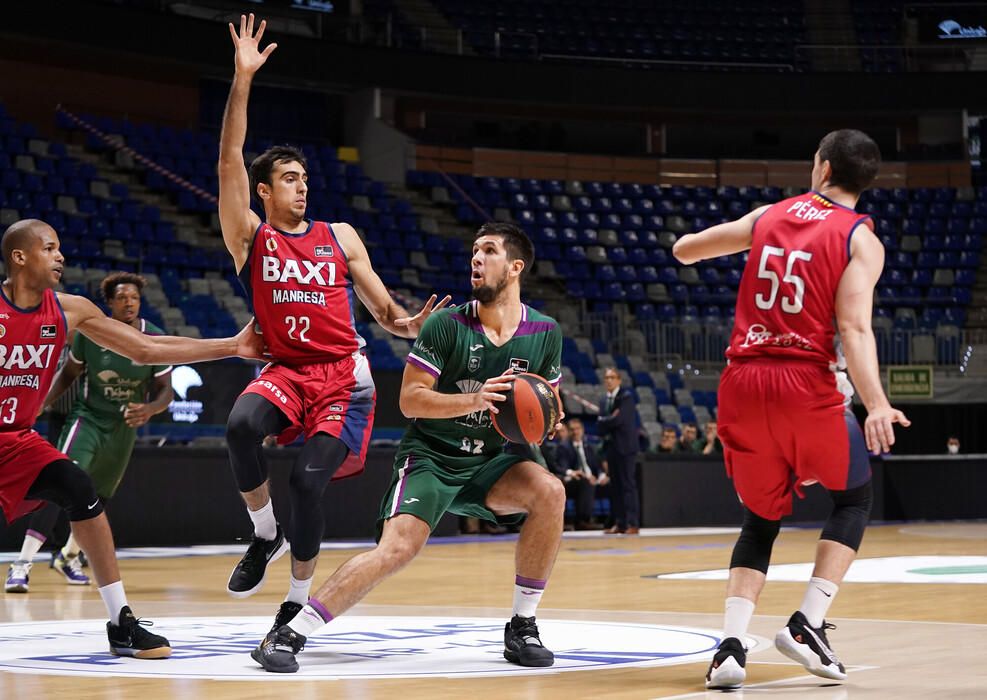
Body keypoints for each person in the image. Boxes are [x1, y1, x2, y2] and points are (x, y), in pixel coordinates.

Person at [217, 13, 449, 631]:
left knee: (307, 486)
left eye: (304, 178)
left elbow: (383, 311)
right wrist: (243, 79)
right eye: (288, 179)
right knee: (240, 426)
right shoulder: (250, 237)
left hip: (345, 378)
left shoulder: (339, 235)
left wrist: (407, 326)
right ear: (263, 191)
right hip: (286, 370)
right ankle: (263, 535)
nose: (301, 187)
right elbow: (229, 159)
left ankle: (295, 600)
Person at [249, 222, 565, 674]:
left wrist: (549, 418)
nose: (476, 258)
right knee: (396, 549)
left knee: (550, 492)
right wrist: (474, 399)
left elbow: (546, 401)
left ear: (515, 267)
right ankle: (288, 633)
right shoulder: (445, 324)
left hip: (495, 460)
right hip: (433, 456)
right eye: (473, 250)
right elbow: (411, 400)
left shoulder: (546, 331)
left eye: (489, 251)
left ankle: (522, 625)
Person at [673, 130, 910, 690]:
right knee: (853, 498)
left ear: (822, 168)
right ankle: (808, 622)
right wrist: (876, 403)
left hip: (742, 380)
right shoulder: (861, 239)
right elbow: (853, 328)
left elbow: (686, 249)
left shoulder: (769, 215)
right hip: (806, 384)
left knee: (760, 519)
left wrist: (703, 244)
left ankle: (730, 647)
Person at [0, 218, 265, 658]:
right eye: (49, 248)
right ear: (20, 257)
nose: (60, 255)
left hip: (19, 439)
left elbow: (146, 349)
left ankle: (120, 622)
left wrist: (231, 346)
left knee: (80, 490)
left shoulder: (71, 309)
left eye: (60, 247)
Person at [6, 272, 173, 593]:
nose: (129, 303)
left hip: (123, 427)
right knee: (60, 484)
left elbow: (166, 391)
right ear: (109, 303)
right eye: (122, 298)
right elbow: (67, 375)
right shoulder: (91, 334)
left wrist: (151, 408)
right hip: (87, 420)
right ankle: (22, 565)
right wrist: (40, 403)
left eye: (134, 298)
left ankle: (68, 556)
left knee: (99, 498)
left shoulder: (153, 336)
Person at [597, 367, 640, 535]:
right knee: (615, 487)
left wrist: (606, 420)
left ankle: (632, 523)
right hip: (611, 448)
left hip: (626, 448)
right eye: (606, 378)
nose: (609, 380)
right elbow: (600, 426)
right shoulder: (603, 401)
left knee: (628, 485)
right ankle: (619, 523)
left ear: (619, 380)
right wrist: (609, 419)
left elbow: (620, 420)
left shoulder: (626, 397)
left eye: (612, 377)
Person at [553, 418, 605, 530]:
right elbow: (562, 467)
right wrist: (572, 472)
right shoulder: (564, 447)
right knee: (585, 482)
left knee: (613, 482)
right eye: (572, 429)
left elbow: (597, 467)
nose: (575, 432)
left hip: (592, 479)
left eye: (578, 429)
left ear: (582, 430)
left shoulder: (589, 447)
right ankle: (583, 520)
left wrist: (601, 476)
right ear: (569, 431)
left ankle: (616, 521)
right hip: (573, 481)